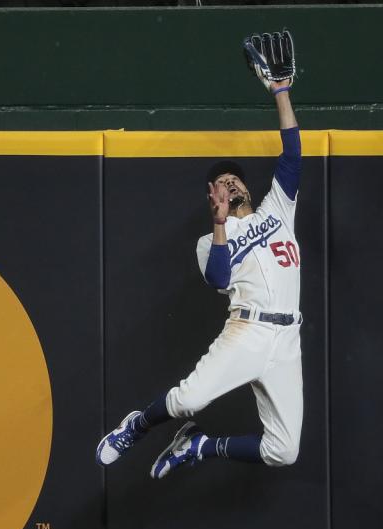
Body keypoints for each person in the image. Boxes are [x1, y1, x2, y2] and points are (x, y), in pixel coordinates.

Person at [96, 61, 303, 479]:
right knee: (189, 400)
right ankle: (137, 425)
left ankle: (200, 446)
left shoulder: (278, 208)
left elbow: (293, 152)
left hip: (287, 339)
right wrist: (221, 222)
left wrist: (280, 91)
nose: (230, 186)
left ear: (247, 187)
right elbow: (219, 279)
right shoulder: (210, 240)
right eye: (221, 184)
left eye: (234, 180)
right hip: (248, 331)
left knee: (285, 450)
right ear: (214, 197)